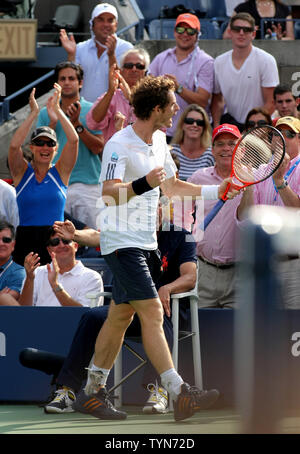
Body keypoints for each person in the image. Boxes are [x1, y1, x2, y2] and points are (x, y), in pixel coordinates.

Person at [63, 74, 241, 423]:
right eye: (173, 104)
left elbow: (172, 187)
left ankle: (92, 392)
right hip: (120, 241)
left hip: (146, 241)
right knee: (153, 314)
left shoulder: (160, 140)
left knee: (119, 317)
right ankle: (180, 392)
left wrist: (216, 191)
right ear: (157, 108)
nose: (178, 108)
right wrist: (145, 183)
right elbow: (109, 193)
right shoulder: (118, 143)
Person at [44, 205, 197, 415]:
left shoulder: (182, 236)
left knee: (156, 317)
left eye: (155, 206)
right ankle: (67, 391)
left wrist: (167, 288)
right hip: (128, 307)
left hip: (168, 308)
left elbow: (190, 276)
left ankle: (159, 389)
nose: (150, 211)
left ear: (162, 209)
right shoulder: (127, 233)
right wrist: (77, 234)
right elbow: (98, 236)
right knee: (92, 317)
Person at [8, 85, 78, 267]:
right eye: (39, 143)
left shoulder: (60, 172)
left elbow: (74, 140)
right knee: (26, 291)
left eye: (50, 144)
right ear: (31, 148)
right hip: (26, 241)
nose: (45, 148)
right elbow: (14, 147)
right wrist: (34, 113)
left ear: (56, 149)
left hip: (55, 242)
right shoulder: (22, 173)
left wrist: (58, 110)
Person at [236, 116, 300, 308]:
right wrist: (248, 187)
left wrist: (280, 182)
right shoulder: (260, 171)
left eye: (289, 134)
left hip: (294, 262)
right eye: (277, 134)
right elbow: (243, 217)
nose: (282, 138)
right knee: (263, 327)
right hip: (263, 261)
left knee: (294, 325)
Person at [36, 61, 104, 230]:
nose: (67, 82)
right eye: (63, 79)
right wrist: (52, 122)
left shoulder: (92, 110)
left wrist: (77, 125)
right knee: (58, 240)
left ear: (80, 83)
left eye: (71, 78)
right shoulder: (45, 113)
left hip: (88, 185)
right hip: (56, 184)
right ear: (57, 83)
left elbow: (98, 148)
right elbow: (38, 151)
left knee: (94, 238)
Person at [187, 124, 243, 308]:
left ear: (241, 148)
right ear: (212, 150)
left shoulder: (253, 179)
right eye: (220, 144)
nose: (226, 148)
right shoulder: (197, 178)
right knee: (203, 334)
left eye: (231, 143)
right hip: (204, 271)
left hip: (239, 275)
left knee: (236, 336)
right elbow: (181, 218)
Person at [148, 13, 214, 142]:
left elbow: (203, 101)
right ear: (174, 32)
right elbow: (147, 92)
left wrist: (178, 89)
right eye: (180, 29)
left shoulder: (206, 62)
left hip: (191, 134)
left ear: (197, 35)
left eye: (190, 30)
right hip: (161, 132)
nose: (184, 34)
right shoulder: (161, 58)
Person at [0, 227, 104, 307]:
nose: (61, 245)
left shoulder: (92, 277)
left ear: (76, 246)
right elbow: (24, 312)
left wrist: (55, 286)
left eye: (66, 240)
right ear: (49, 250)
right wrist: (30, 279)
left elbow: (83, 315)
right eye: (55, 242)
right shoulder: (36, 273)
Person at [211, 12, 279, 131]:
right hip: (232, 127)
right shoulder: (219, 62)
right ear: (230, 32)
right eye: (237, 29)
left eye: (246, 30)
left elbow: (271, 102)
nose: (241, 33)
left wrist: (253, 128)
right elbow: (217, 100)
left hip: (260, 128)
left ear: (253, 34)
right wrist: (217, 127)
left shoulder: (267, 60)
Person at [59, 3, 133, 102]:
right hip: (83, 112)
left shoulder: (127, 49)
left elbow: (123, 82)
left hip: (115, 114)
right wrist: (71, 54)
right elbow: (72, 80)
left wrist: (111, 55)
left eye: (110, 20)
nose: (106, 24)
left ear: (116, 25)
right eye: (100, 20)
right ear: (92, 24)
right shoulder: (80, 48)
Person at [86, 48, 150, 144]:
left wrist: (132, 100)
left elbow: (159, 128)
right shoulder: (112, 96)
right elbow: (93, 122)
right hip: (115, 155)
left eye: (139, 66)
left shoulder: (153, 98)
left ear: (145, 71)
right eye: (129, 65)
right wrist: (111, 91)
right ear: (121, 71)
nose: (134, 69)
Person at [170, 104, 214, 181]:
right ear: (182, 125)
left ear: (204, 127)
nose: (194, 125)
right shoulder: (171, 151)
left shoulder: (211, 154)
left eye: (200, 122)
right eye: (189, 121)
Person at [223, 0, 294, 40]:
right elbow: (227, 36)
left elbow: (291, 38)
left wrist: (280, 39)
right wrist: (245, 35)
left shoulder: (284, 9)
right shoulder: (242, 8)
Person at [0, 220, 25, 306]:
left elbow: (5, 301)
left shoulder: (19, 273)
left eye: (6, 240)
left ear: (13, 245)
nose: (1, 243)